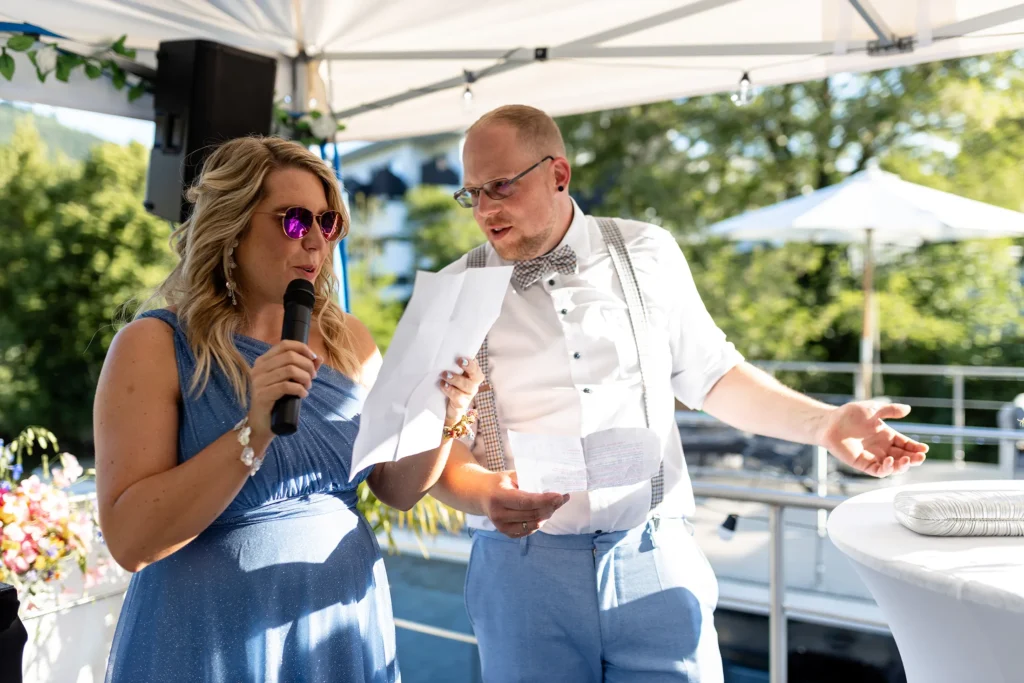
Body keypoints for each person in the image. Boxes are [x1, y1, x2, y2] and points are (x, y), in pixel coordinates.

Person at [429, 105, 930, 682]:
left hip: (655, 561)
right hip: (520, 576)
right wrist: (482, 495)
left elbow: (713, 375)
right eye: (472, 194)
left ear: (558, 174)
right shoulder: (452, 290)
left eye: (500, 186)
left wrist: (823, 424)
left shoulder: (649, 251)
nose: (486, 210)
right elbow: (426, 442)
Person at [93, 136, 483, 683]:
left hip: (339, 628)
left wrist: (447, 414)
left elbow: (396, 488)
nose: (315, 243)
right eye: (295, 221)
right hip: (210, 640)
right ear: (233, 226)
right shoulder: (155, 345)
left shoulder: (348, 338)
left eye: (328, 224)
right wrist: (251, 433)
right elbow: (131, 540)